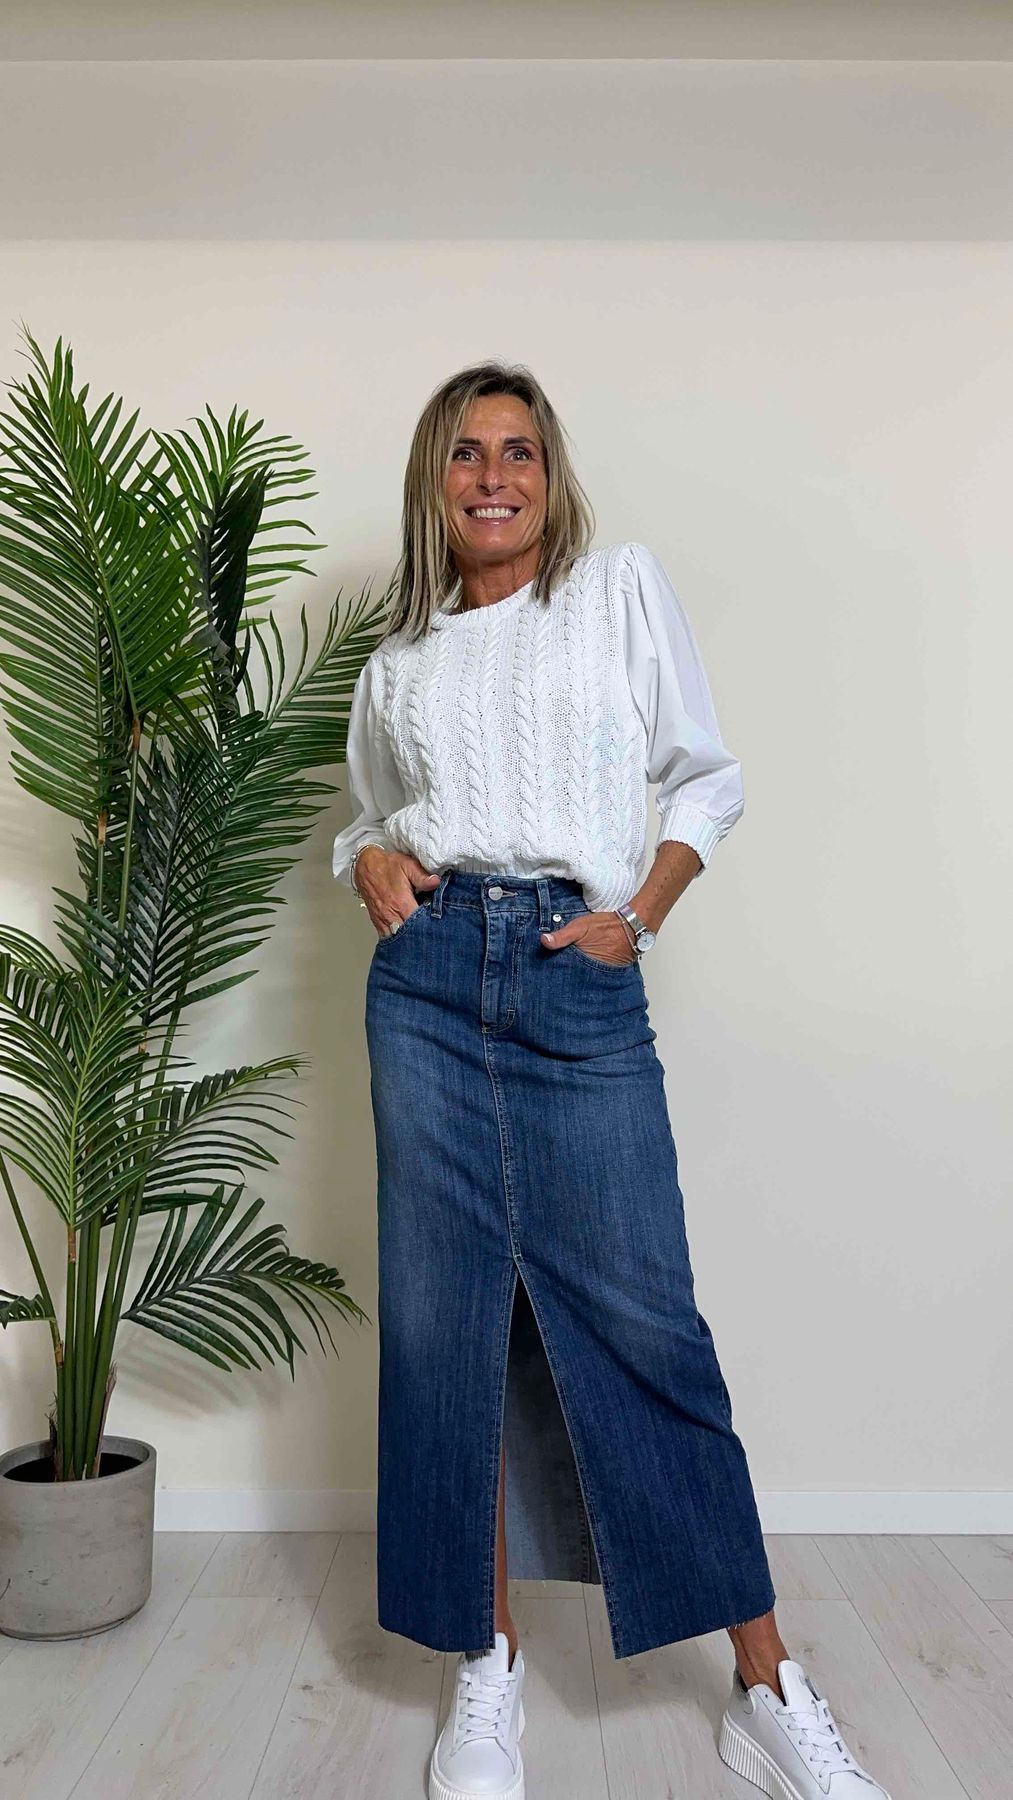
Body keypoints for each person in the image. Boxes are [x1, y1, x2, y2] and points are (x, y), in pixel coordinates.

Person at [332, 362, 891, 1800]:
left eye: (518, 451)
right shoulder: (399, 660)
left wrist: (635, 916)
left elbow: (706, 777)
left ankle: (765, 1689)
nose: (494, 476)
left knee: (647, 1320)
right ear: (435, 480)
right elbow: (371, 819)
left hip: (574, 973)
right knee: (445, 1328)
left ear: (550, 473)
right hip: (427, 989)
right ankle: (487, 1663)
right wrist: (371, 860)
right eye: (466, 453)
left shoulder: (616, 592)